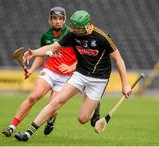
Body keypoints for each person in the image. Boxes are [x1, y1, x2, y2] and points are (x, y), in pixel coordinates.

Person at [14, 10, 132, 142]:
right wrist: (34, 53)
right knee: (57, 101)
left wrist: (125, 84)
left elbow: (118, 59)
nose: (74, 30)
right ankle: (28, 133)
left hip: (99, 79)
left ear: (87, 26)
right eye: (73, 27)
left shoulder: (102, 37)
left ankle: (94, 105)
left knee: (82, 119)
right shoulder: (72, 35)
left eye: (77, 28)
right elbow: (53, 47)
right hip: (80, 74)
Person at [2, 7, 78, 137]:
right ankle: (12, 126)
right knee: (34, 96)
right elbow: (42, 55)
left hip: (66, 77)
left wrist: (71, 66)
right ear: (50, 20)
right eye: (54, 18)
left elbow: (82, 56)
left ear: (64, 20)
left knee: (52, 106)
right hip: (50, 70)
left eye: (60, 19)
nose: (57, 21)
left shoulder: (71, 34)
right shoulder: (46, 36)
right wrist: (31, 69)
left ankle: (51, 119)